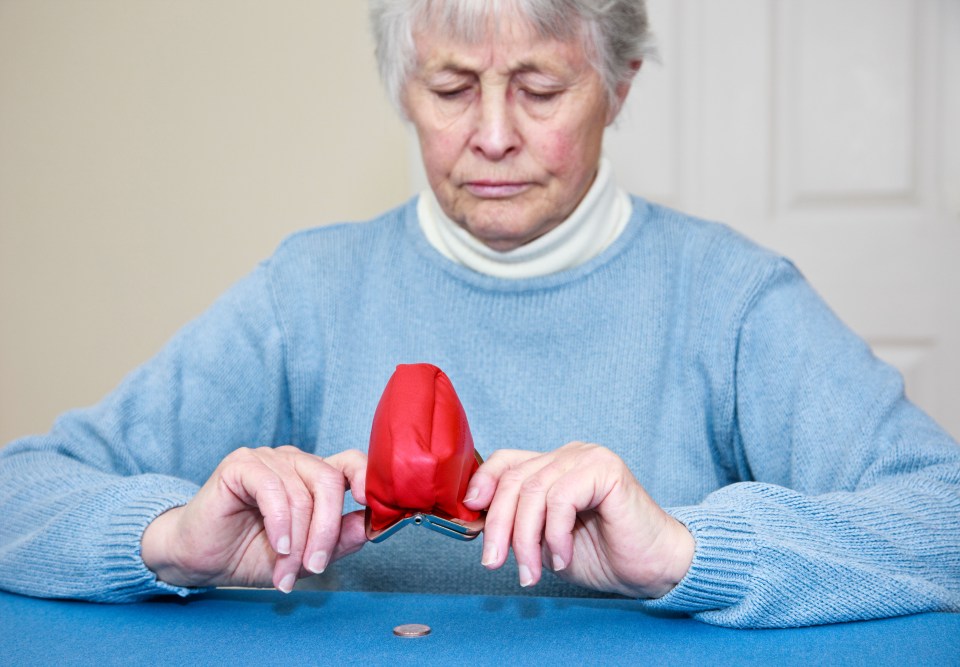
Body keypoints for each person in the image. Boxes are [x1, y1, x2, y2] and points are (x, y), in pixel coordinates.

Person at [1, 0, 958, 629]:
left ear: (618, 89)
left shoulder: (733, 298)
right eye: (452, 88)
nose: (494, 136)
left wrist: (686, 554)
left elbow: (942, 518)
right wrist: (168, 537)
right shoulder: (307, 292)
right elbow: (21, 491)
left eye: (541, 89)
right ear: (402, 94)